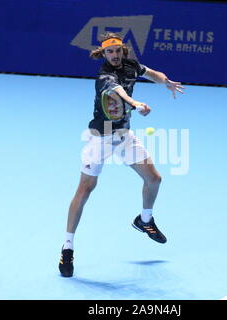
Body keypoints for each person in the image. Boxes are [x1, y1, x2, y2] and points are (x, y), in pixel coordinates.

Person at [59, 33, 184, 277]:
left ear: (122, 51)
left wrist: (165, 81)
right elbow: (121, 94)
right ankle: (67, 248)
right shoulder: (104, 76)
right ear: (103, 54)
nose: (114, 55)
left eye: (117, 50)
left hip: (123, 134)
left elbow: (150, 73)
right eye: (109, 52)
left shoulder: (131, 65)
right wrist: (136, 104)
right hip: (101, 135)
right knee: (84, 190)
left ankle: (145, 220)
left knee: (154, 179)